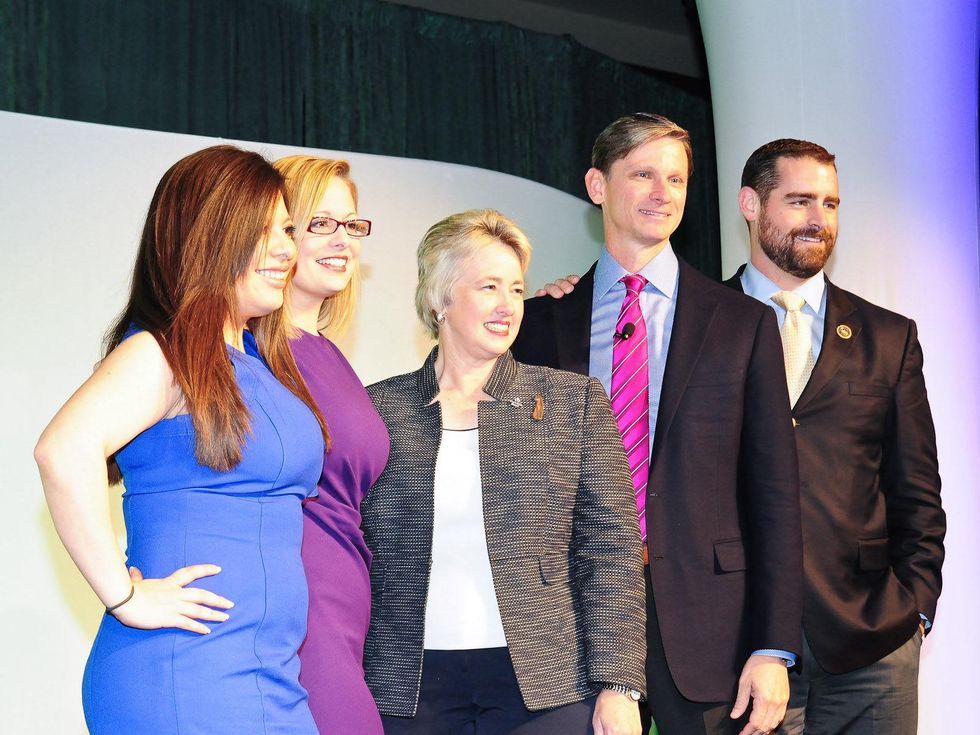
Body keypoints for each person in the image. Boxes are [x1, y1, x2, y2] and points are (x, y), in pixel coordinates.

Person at [511, 113, 804, 735]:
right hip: (571, 623)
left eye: (675, 178)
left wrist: (774, 647)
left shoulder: (743, 324)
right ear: (598, 185)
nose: (662, 192)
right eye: (642, 174)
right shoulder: (539, 323)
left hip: (710, 632)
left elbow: (776, 496)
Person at [34, 145, 328, 734]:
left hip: (267, 675)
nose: (285, 249)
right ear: (208, 237)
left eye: (287, 230)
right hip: (185, 674)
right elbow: (62, 451)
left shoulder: (261, 362)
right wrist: (125, 598)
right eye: (261, 231)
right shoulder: (163, 353)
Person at [361, 209, 646, 734]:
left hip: (546, 685)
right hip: (407, 686)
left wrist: (618, 684)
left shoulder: (573, 404)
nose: (507, 305)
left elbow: (612, 552)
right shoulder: (378, 411)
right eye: (488, 286)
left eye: (515, 289)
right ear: (439, 299)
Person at [728, 139, 945, 735]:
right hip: (739, 645)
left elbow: (917, 488)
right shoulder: (699, 322)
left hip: (874, 642)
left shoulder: (889, 336)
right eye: (799, 201)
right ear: (751, 204)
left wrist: (916, 606)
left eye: (830, 202)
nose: (819, 219)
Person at [274, 155, 390, 734]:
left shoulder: (328, 352)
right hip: (296, 610)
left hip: (348, 607)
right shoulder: (250, 352)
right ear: (277, 232)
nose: (342, 240)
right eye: (321, 223)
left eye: (352, 225)